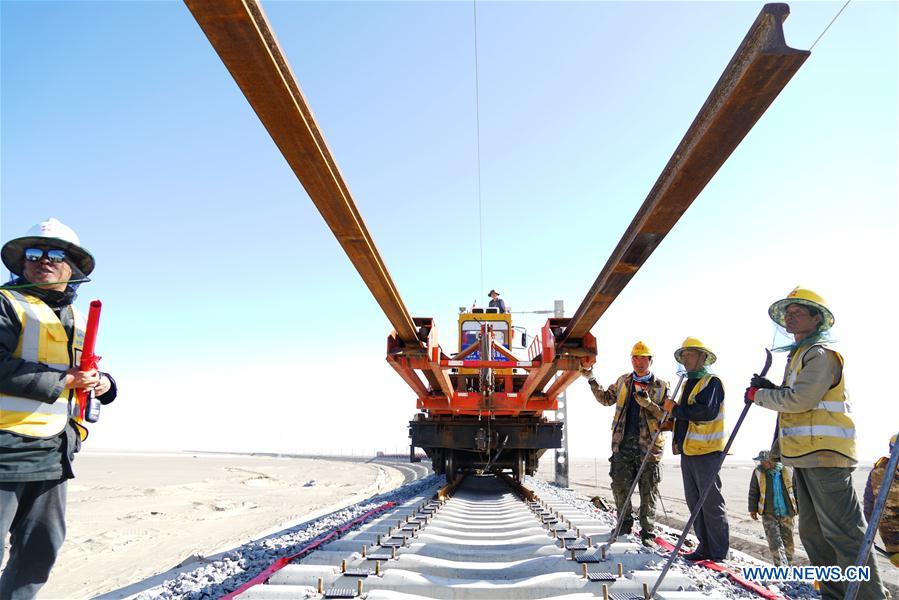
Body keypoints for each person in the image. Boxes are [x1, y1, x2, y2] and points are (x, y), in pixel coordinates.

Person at [0, 218, 118, 599]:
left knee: (40, 551)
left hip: (54, 451)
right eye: (34, 254)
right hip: (5, 451)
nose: (43, 261)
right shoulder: (6, 302)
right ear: (22, 265)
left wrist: (104, 383)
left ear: (73, 267)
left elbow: (88, 369)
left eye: (55, 254)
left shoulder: (78, 319)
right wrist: (65, 380)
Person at [745, 286, 886, 599]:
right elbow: (792, 398)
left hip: (826, 456)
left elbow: (801, 399)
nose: (790, 317)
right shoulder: (799, 357)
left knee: (843, 534)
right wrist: (770, 388)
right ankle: (834, 595)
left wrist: (760, 395)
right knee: (814, 534)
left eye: (798, 312)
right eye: (787, 313)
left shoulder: (820, 354)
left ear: (817, 318)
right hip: (803, 457)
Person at [580, 341, 670, 546]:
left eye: (643, 358)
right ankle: (624, 524)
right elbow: (605, 399)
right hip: (623, 445)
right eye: (635, 358)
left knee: (648, 491)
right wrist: (591, 378)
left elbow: (668, 416)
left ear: (650, 360)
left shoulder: (662, 386)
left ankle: (648, 533)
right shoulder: (623, 381)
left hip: (649, 447)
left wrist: (649, 405)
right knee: (620, 486)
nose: (639, 362)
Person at [662, 336, 729, 561]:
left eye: (690, 354)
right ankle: (704, 547)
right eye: (683, 355)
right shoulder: (688, 383)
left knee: (710, 502)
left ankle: (719, 552)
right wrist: (671, 421)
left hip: (707, 452)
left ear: (702, 357)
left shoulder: (711, 382)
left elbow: (704, 412)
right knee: (694, 502)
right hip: (689, 451)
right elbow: (685, 418)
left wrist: (676, 410)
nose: (685, 358)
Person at [748, 450, 796, 566]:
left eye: (764, 461)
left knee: (788, 542)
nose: (762, 464)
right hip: (768, 514)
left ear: (771, 461)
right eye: (761, 461)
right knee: (774, 542)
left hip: (787, 513)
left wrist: (799, 507)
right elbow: (753, 492)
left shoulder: (788, 470)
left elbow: (796, 489)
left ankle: (789, 565)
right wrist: (752, 509)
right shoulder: (758, 472)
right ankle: (779, 567)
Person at [863, 435, 898, 568]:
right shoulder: (878, 473)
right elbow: (869, 505)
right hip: (893, 545)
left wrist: (866, 534)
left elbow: (869, 506)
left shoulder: (878, 471)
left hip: (892, 545)